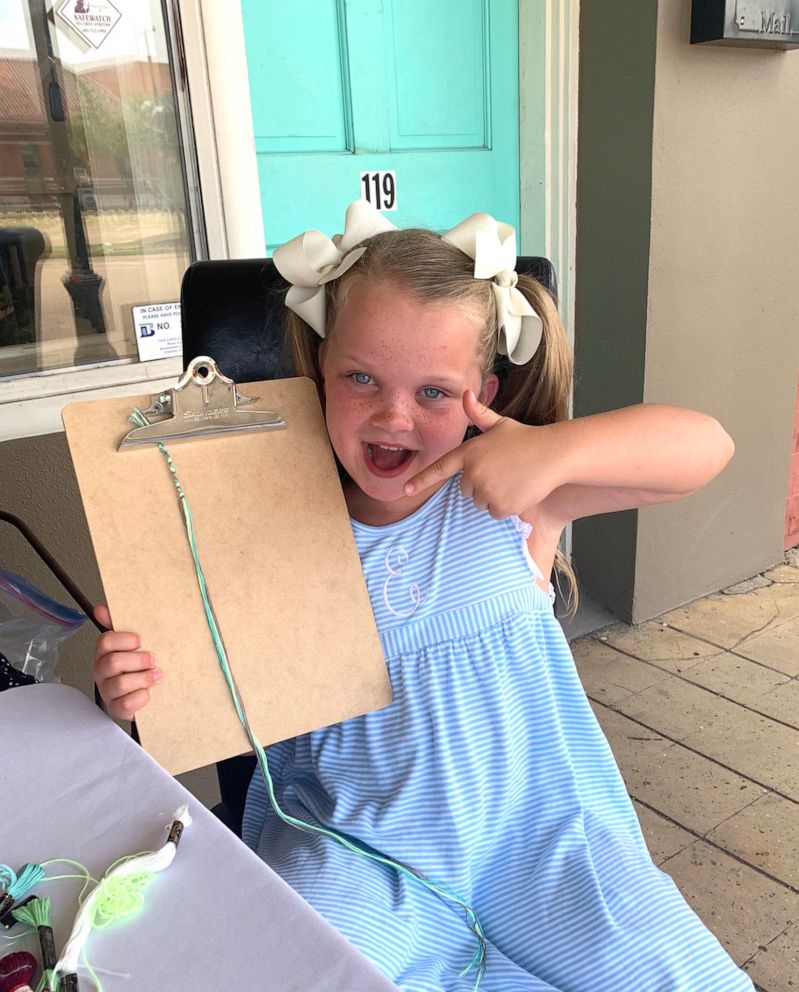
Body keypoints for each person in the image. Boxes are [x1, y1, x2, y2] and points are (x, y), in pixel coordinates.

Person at [94, 202, 752, 992]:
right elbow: (188, 699)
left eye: (435, 392)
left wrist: (552, 450)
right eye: (360, 377)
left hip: (542, 846)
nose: (392, 415)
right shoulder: (258, 534)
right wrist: (126, 696)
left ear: (486, 389)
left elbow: (707, 446)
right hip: (358, 850)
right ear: (318, 370)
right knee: (288, 968)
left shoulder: (515, 504)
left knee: (678, 977)